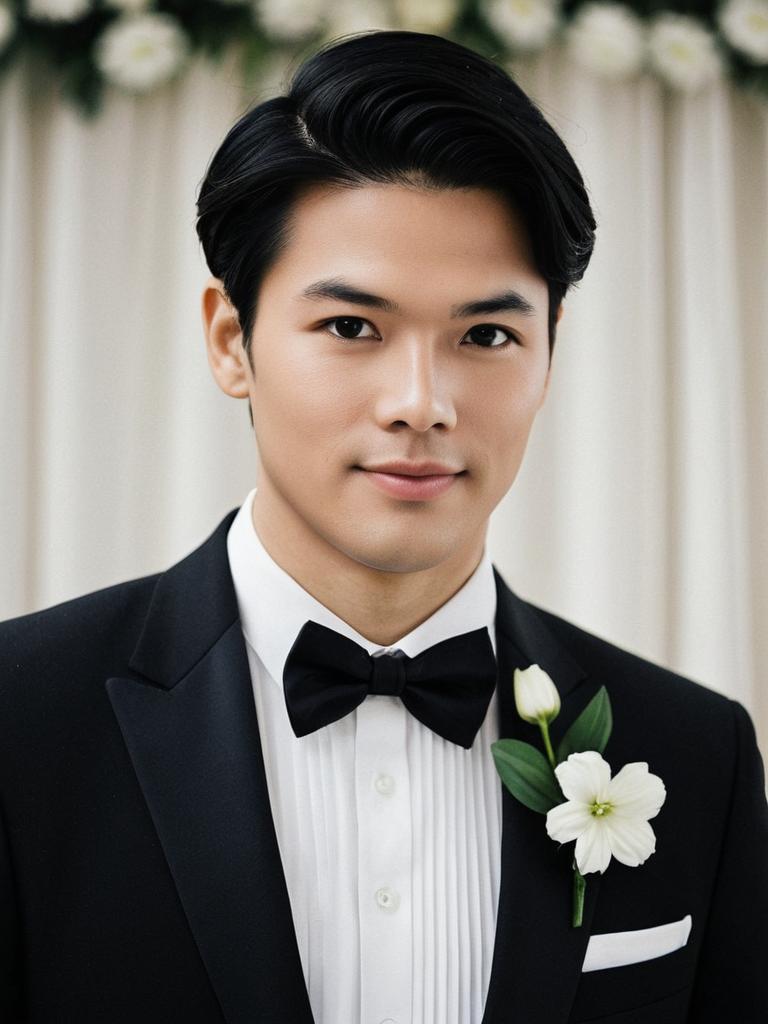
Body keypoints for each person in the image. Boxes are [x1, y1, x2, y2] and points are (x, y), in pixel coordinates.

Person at [1, 28, 766, 1024]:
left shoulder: (694, 754)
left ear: (549, 354)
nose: (420, 401)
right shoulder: (21, 723)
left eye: (486, 335)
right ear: (232, 342)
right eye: (352, 327)